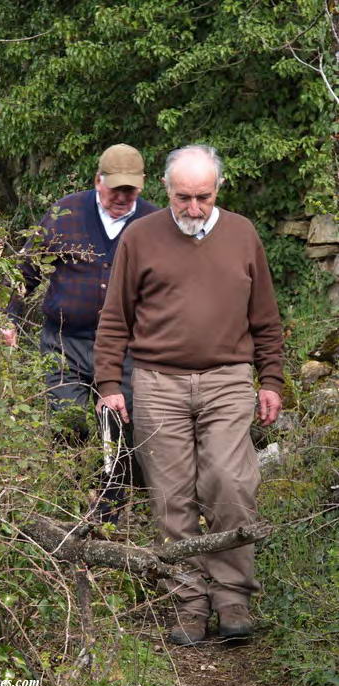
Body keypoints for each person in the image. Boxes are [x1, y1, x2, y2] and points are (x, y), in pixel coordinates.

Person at [94, 144, 283, 643]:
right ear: (166, 191)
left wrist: (272, 380)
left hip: (227, 377)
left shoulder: (242, 234)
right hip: (157, 380)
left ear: (217, 189)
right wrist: (110, 383)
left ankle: (234, 600)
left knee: (229, 482)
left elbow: (265, 317)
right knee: (171, 495)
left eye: (203, 196)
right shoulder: (141, 237)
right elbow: (115, 317)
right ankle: (188, 604)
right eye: (183, 198)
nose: (193, 208)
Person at [2, 144, 159, 522]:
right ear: (97, 181)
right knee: (68, 421)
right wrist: (9, 318)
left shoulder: (155, 223)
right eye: (114, 189)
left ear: (141, 186)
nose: (122, 198)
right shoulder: (66, 213)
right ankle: (71, 500)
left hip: (126, 346)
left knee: (122, 422)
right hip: (65, 340)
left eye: (130, 190)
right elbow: (27, 269)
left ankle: (115, 507)